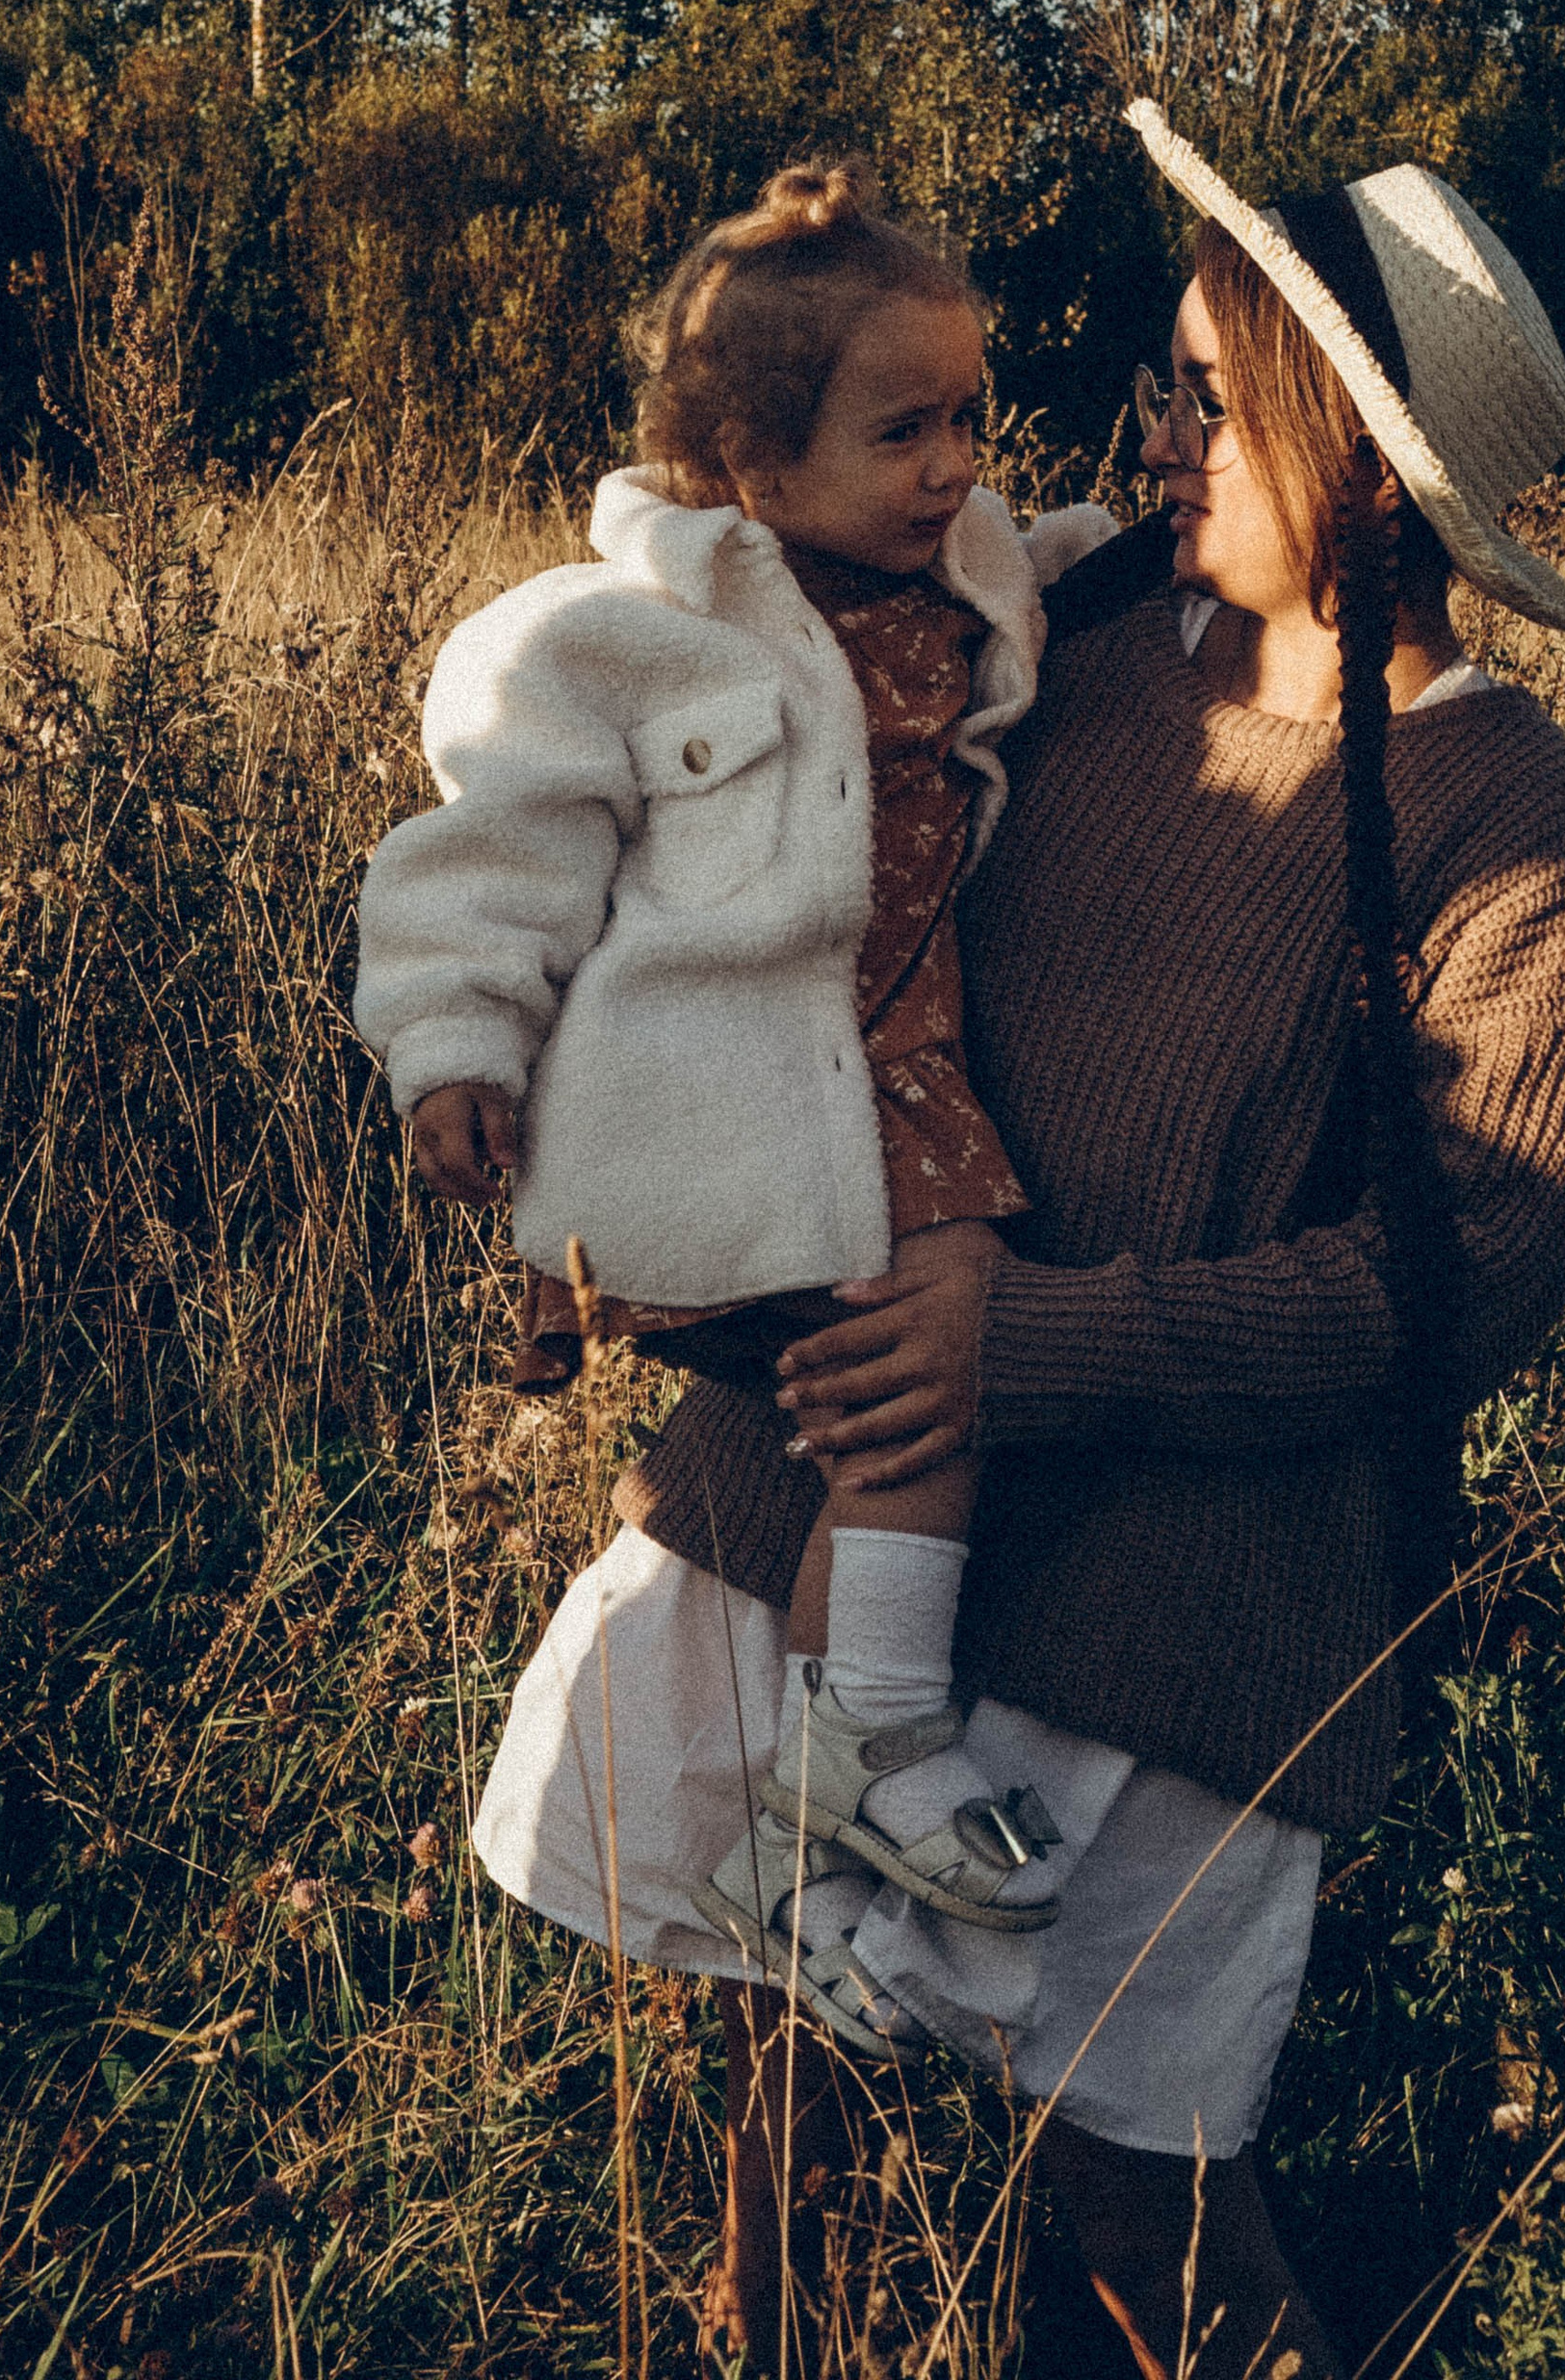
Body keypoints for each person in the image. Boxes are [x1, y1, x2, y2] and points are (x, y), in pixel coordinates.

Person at [451, 107, 1565, 2379]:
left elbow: (1446, 1287)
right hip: (828, 1492)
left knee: (1142, 2194)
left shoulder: (1518, 829)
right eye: (1157, 388)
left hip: (1170, 1612)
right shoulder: (1067, 641)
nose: (1153, 439)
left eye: (1210, 403)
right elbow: (738, 858)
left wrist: (1039, 1343)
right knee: (775, 2094)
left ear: (1361, 470)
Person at [352, 162, 1109, 2051]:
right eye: (902, 430)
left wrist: (1157, 534)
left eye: (969, 418)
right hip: (726, 1097)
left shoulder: (967, 566)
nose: (954, 466)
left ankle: (810, 1843)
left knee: (920, 1368)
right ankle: (867, 1734)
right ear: (749, 465)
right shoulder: (620, 636)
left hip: (899, 1081)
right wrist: (454, 1045)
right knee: (913, 1381)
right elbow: (492, 853)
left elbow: (1058, 559)